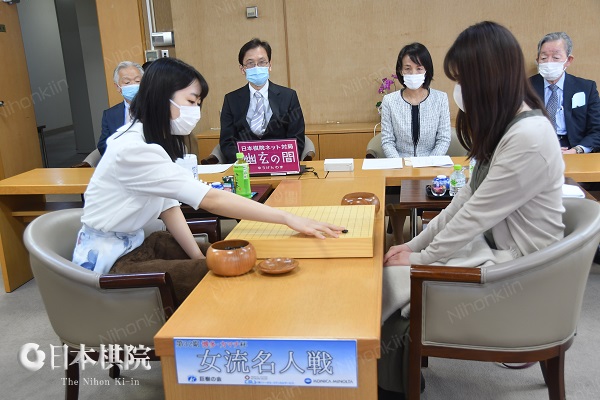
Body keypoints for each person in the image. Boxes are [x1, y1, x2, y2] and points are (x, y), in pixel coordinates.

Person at [377, 22, 565, 399]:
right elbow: (464, 202)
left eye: (463, 79)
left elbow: (474, 215)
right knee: (394, 270)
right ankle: (395, 373)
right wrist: (414, 247)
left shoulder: (527, 136)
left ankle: (393, 382)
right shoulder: (507, 126)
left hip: (521, 271)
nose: (459, 90)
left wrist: (421, 260)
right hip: (497, 248)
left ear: (488, 77)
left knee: (394, 281)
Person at [72, 57, 343, 304]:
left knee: (234, 256)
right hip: (111, 264)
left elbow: (169, 208)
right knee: (229, 273)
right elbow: (211, 199)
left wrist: (199, 258)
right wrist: (286, 218)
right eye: (191, 101)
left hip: (138, 244)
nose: (196, 111)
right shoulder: (134, 148)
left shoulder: (149, 141)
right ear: (161, 98)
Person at [219, 38, 306, 164]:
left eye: (262, 62)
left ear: (270, 65)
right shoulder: (231, 100)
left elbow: (297, 138)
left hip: (280, 165)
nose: (256, 67)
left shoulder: (289, 96)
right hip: (245, 167)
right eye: (250, 63)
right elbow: (227, 142)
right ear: (242, 69)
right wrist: (244, 162)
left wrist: (279, 162)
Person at [529, 32, 600, 154]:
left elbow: (597, 129)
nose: (549, 62)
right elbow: (514, 128)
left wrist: (577, 150)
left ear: (568, 60)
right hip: (537, 149)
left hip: (573, 148)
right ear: (537, 60)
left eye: (556, 58)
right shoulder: (525, 88)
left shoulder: (586, 88)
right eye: (544, 58)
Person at [380, 43, 451, 158]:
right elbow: (387, 141)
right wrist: (399, 164)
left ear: (426, 70)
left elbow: (444, 139)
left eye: (419, 68)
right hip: (400, 163)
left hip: (431, 163)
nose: (413, 73)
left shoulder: (440, 99)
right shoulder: (389, 101)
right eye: (407, 68)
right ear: (401, 70)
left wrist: (429, 163)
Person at [97, 61, 144, 155]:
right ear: (117, 87)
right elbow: (103, 146)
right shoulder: (110, 114)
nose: (133, 84)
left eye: (137, 81)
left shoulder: (156, 109)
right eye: (127, 82)